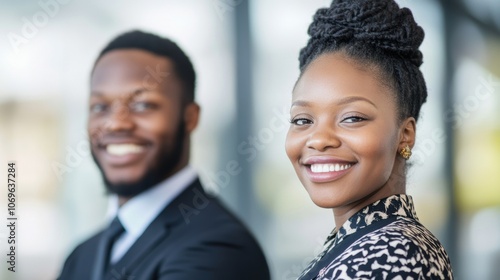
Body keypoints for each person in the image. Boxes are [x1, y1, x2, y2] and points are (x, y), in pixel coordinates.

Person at [58, 30, 270, 280]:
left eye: (143, 105)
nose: (115, 124)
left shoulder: (217, 249)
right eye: (100, 107)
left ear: (190, 117)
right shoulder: (82, 255)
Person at [285, 0, 454, 279]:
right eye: (302, 120)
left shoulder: (393, 253)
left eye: (352, 118)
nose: (319, 140)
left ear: (405, 135)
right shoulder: (359, 241)